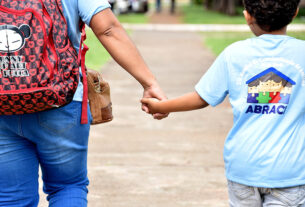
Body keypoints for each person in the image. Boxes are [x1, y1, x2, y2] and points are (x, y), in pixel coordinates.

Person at [0, 0, 167, 206]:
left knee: (12, 196)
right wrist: (149, 82)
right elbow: (108, 29)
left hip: (3, 105)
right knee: (66, 186)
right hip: (62, 103)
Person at [141, 0, 305, 206]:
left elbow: (202, 97)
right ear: (294, 13)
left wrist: (161, 106)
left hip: (243, 166)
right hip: (290, 171)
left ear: (248, 16)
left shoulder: (233, 54)